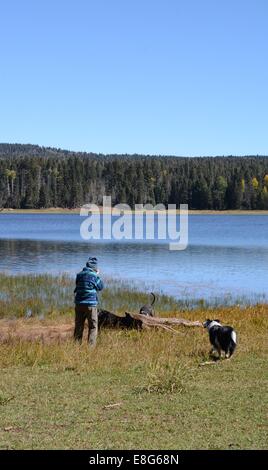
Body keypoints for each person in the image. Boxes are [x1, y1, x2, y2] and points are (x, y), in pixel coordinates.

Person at [74, 257, 104, 346]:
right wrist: (97, 275)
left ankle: (76, 346)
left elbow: (78, 284)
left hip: (79, 303)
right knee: (93, 326)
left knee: (79, 325)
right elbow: (101, 287)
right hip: (90, 304)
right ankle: (90, 348)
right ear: (95, 267)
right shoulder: (94, 276)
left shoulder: (79, 275)